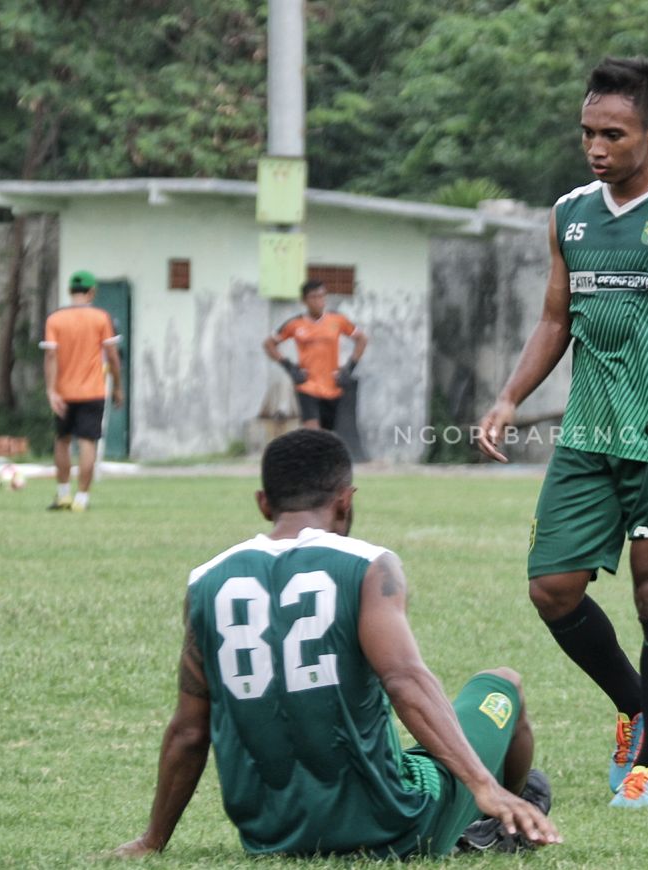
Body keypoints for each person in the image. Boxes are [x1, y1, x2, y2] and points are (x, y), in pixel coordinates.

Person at [476, 57, 648, 809]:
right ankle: (637, 706)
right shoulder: (570, 212)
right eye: (587, 133)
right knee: (551, 589)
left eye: (614, 133)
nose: (597, 147)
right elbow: (554, 319)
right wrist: (508, 397)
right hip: (587, 438)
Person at [112, 429, 560, 859]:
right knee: (503, 685)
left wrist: (153, 839)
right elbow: (405, 680)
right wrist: (484, 785)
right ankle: (507, 819)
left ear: (264, 503)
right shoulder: (368, 565)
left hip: (271, 834)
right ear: (345, 500)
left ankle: (494, 809)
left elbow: (189, 730)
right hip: (395, 827)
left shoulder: (205, 581)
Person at [41, 269, 123, 513]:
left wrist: (51, 390)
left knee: (62, 441)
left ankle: (63, 494)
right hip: (93, 391)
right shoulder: (101, 318)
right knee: (88, 443)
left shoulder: (55, 320)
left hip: (64, 393)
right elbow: (111, 355)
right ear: (92, 292)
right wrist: (118, 386)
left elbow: (50, 355)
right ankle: (82, 499)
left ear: (69, 291)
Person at [262, 279, 367, 431]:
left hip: (332, 386)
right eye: (314, 297)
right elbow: (269, 344)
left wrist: (350, 368)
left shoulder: (337, 320)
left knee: (327, 436)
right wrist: (290, 367)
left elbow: (362, 339)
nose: (319, 301)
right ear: (304, 300)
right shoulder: (295, 324)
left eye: (322, 296)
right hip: (307, 385)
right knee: (312, 431)